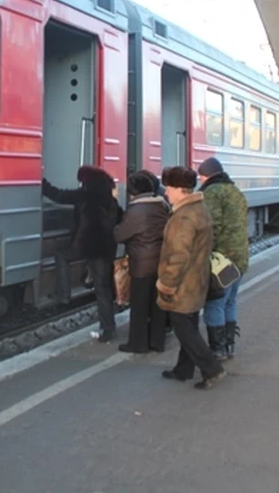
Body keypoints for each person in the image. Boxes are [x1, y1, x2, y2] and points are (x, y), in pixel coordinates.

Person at [155, 166, 224, 389]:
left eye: (169, 188)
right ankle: (183, 370)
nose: (166, 192)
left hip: (183, 284)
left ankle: (211, 368)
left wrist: (166, 284)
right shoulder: (199, 208)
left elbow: (177, 256)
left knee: (184, 329)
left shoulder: (183, 217)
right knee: (189, 325)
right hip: (196, 280)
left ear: (179, 189)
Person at [42, 166, 123, 342]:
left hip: (88, 246)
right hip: (107, 249)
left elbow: (59, 195)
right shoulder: (111, 200)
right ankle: (108, 327)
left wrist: (41, 182)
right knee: (103, 288)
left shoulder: (85, 195)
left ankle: (63, 295)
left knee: (63, 256)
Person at [197, 157, 250, 360]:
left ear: (206, 176)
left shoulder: (212, 193)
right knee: (230, 302)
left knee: (215, 303)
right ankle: (229, 345)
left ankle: (217, 349)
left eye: (201, 177)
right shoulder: (235, 192)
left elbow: (213, 227)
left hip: (221, 260)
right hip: (240, 257)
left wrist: (202, 255)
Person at [114, 170, 170, 353]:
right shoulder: (162, 205)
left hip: (142, 264)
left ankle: (138, 343)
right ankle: (157, 341)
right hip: (161, 260)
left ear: (132, 192)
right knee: (158, 303)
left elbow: (121, 235)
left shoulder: (136, 210)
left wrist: (115, 228)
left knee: (139, 305)